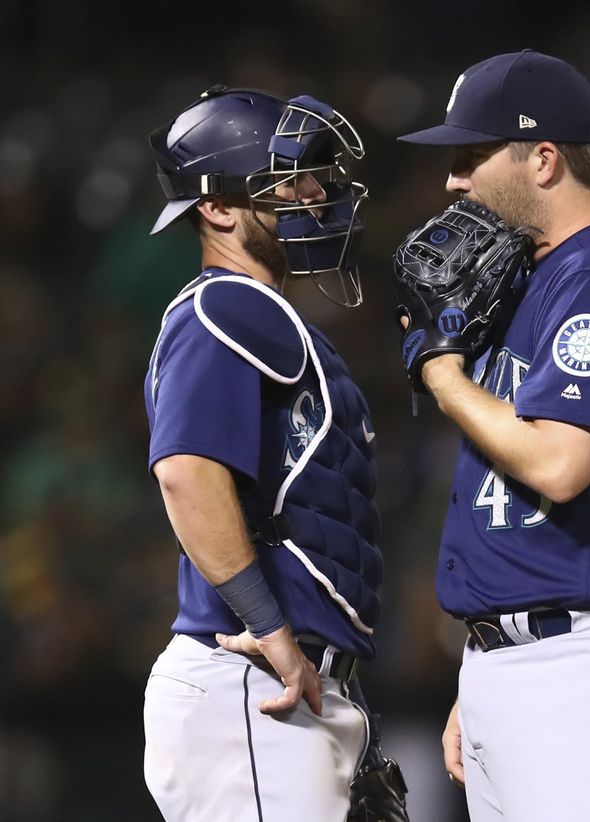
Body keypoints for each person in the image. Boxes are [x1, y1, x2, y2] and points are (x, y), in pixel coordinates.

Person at [396, 50, 590, 822]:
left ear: (543, 158)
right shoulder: (531, 279)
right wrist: (489, 664)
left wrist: (443, 376)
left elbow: (559, 464)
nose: (452, 181)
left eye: (470, 156)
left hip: (588, 663)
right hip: (522, 661)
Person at [142, 85, 387, 821]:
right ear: (217, 206)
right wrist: (275, 631)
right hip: (251, 677)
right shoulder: (221, 307)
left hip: (288, 682)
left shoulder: (268, 316)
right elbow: (186, 474)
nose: (315, 193)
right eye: (288, 180)